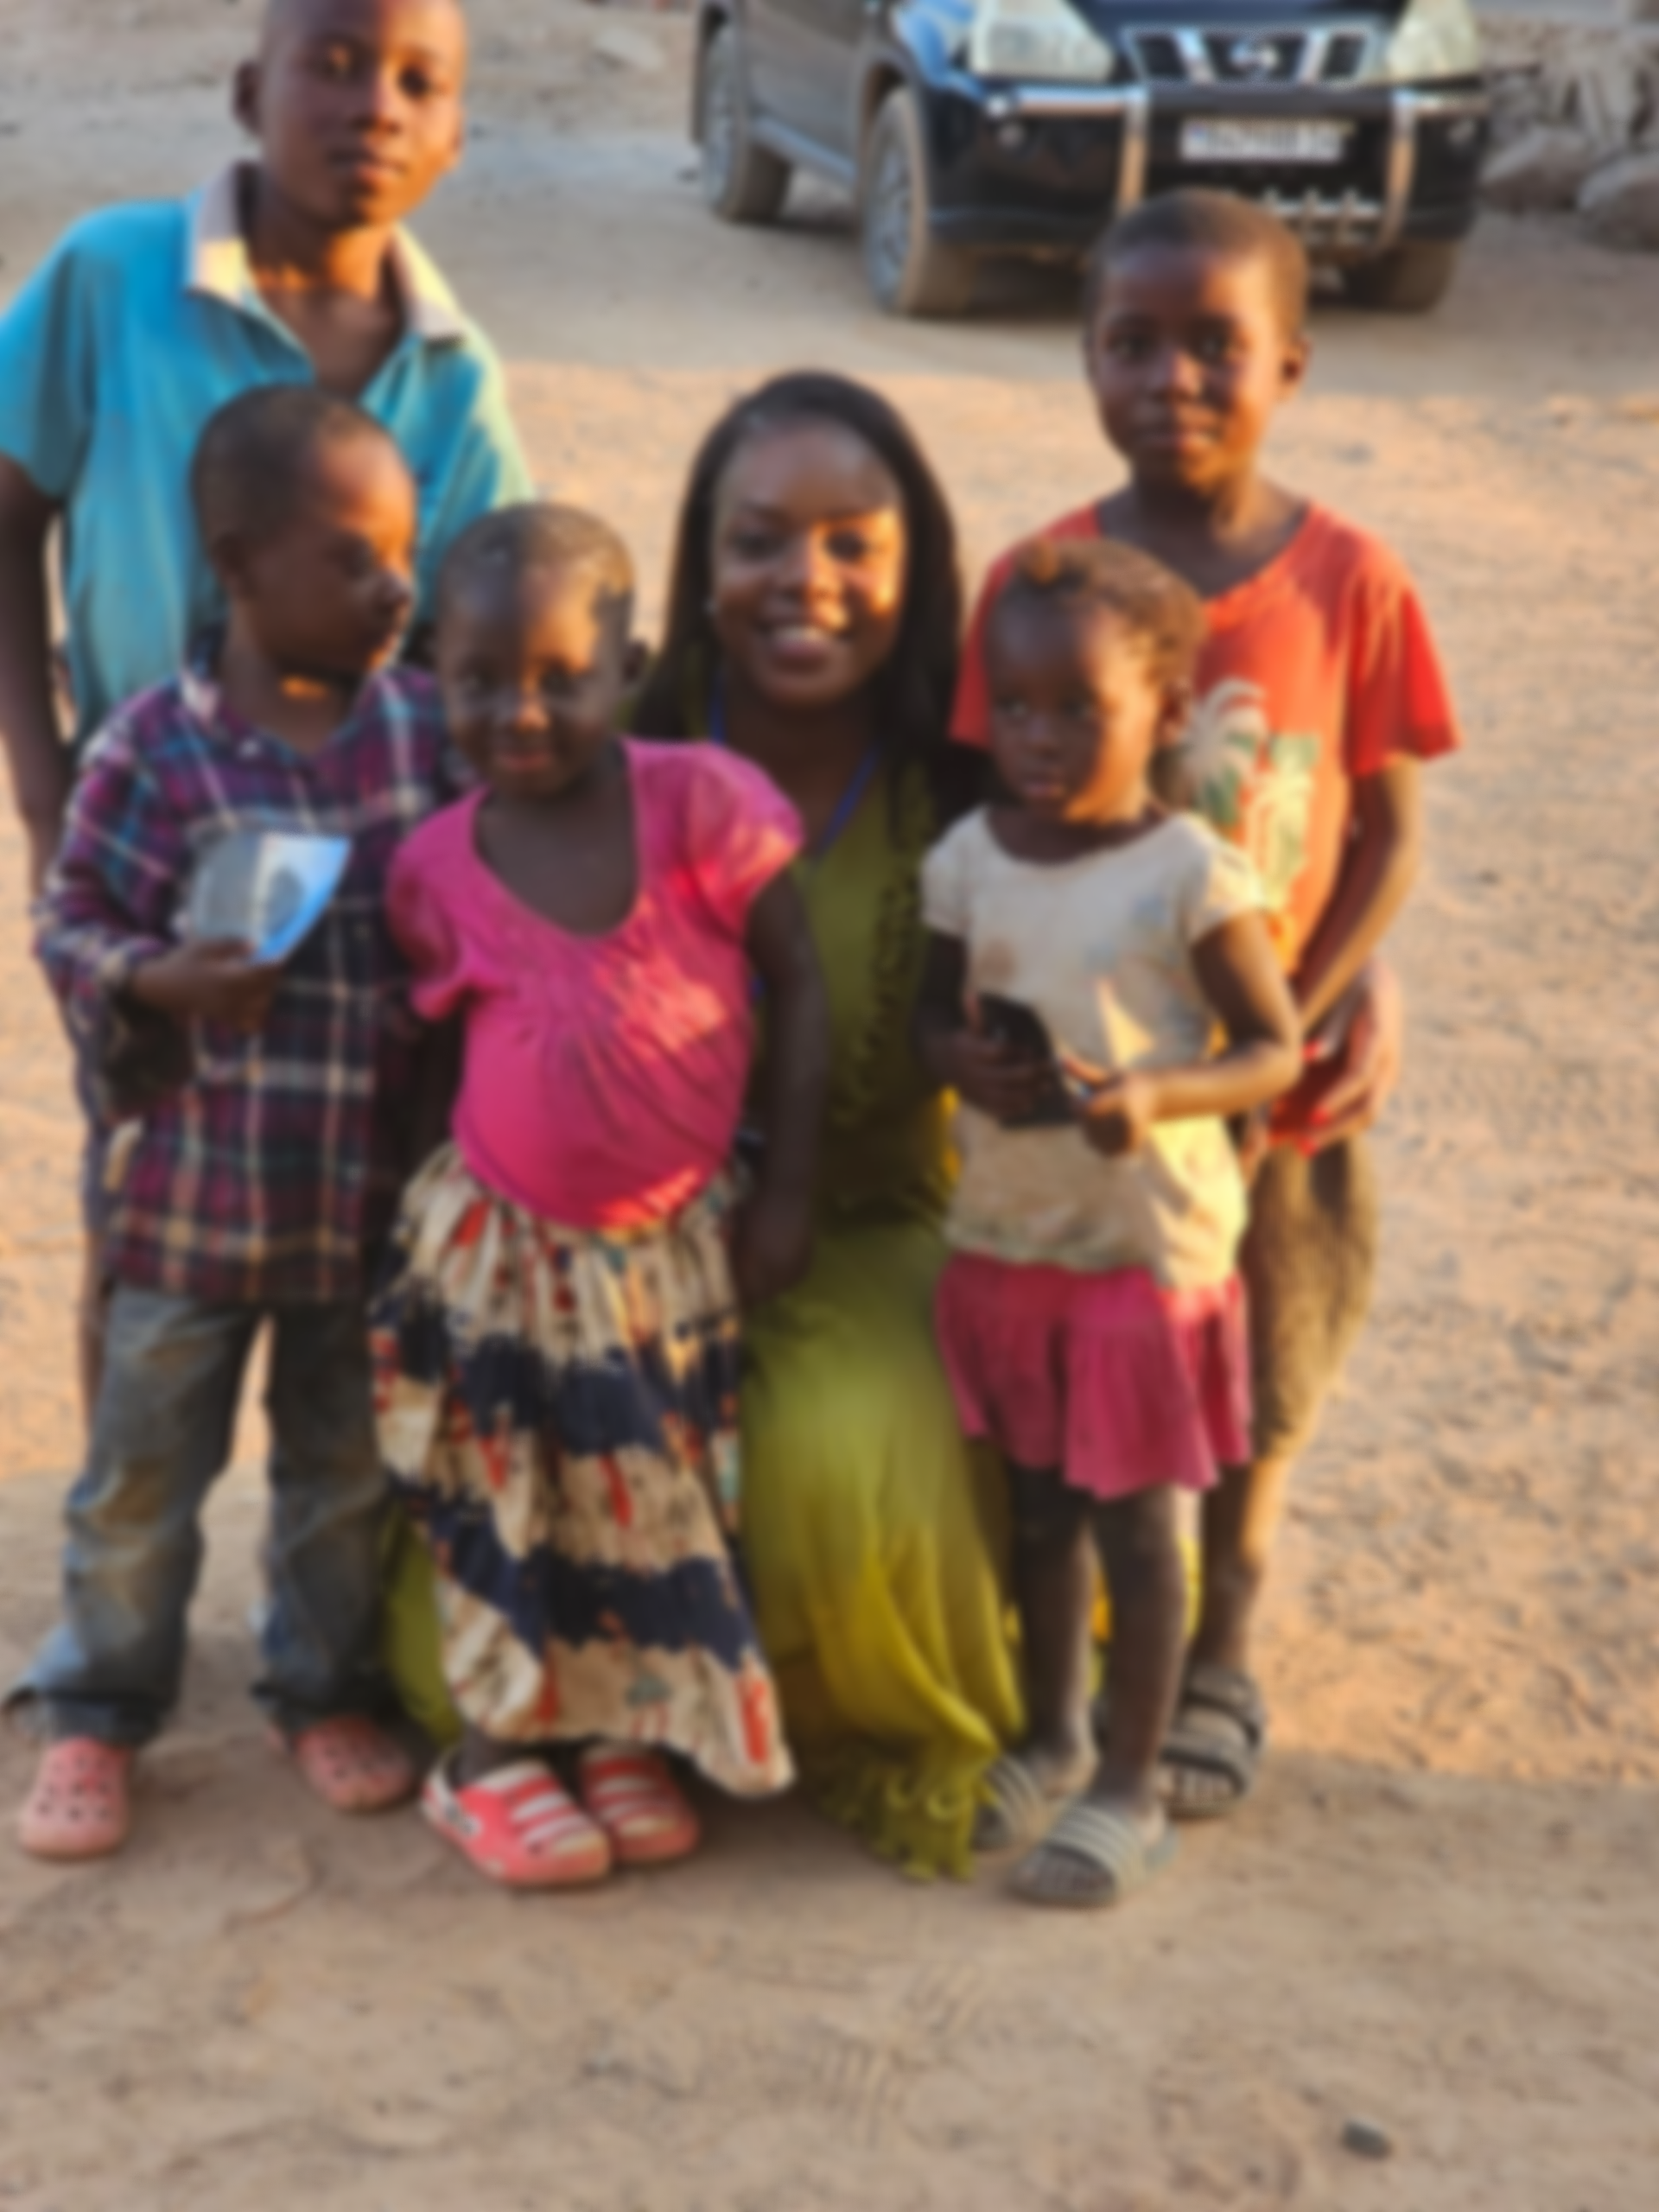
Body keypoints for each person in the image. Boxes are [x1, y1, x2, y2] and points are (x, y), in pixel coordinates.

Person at [953, 189, 1461, 1818]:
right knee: (1105, 1367)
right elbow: (997, 836)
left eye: (1215, 346)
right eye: (1133, 344)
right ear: (1084, 361)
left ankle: (1221, 1650)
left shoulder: (1350, 582)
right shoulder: (1041, 591)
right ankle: (1100, 1659)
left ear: (1293, 366)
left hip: (1278, 1087)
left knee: (1263, 1381)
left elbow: (1384, 832)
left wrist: (1306, 1016)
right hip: (1092, 1116)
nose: (1172, 376)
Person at [0, 0, 530, 1411]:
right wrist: (46, 787)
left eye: (420, 85)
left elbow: (492, 624)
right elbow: (7, 515)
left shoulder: (456, 376)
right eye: (337, 64)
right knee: (143, 1180)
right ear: (250, 91)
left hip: (360, 876)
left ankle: (325, 1581)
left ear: (457, 139)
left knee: (342, 1204)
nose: (375, 107)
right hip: (143, 844)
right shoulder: (112, 280)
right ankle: (129, 1549)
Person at [11, 386, 452, 1859]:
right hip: (189, 1204)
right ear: (237, 562)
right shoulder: (155, 750)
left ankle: (318, 1689)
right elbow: (66, 919)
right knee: (144, 1474)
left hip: (361, 1206)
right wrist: (156, 976)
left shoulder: (420, 736)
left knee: (340, 1471)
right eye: (352, 558)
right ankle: (97, 1708)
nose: (397, 587)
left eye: (405, 553)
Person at [372, 504, 830, 1890]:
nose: (519, 712)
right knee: (504, 1497)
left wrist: (788, 1194)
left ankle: (622, 1725)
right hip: (501, 1254)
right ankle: (493, 1757)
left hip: (669, 1250)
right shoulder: (435, 867)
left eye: (561, 678)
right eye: (479, 680)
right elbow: (442, 1059)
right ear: (430, 671)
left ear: (630, 664)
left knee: (645, 1493)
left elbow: (800, 988)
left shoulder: (702, 805)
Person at [632, 372, 1025, 1879]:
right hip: (621, 1241)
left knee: (835, 1460)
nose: (807, 581)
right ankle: (622, 1722)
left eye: (856, 543)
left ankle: (769, 1719)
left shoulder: (974, 778)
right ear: (700, 563)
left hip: (868, 1225)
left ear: (917, 566)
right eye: (760, 541)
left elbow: (1164, 881)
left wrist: (1345, 978)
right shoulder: (616, 739)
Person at [918, 537, 1300, 1906]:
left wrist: (1157, 1093)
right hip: (1014, 1241)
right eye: (1013, 707)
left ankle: (1130, 1790)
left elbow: (1274, 1047)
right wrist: (963, 1064)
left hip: (1142, 1254)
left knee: (1141, 1534)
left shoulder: (1188, 872)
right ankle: (1052, 1732)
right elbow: (930, 1014)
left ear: (1168, 707)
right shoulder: (966, 858)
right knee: (1039, 1520)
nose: (1037, 737)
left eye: (1078, 708)